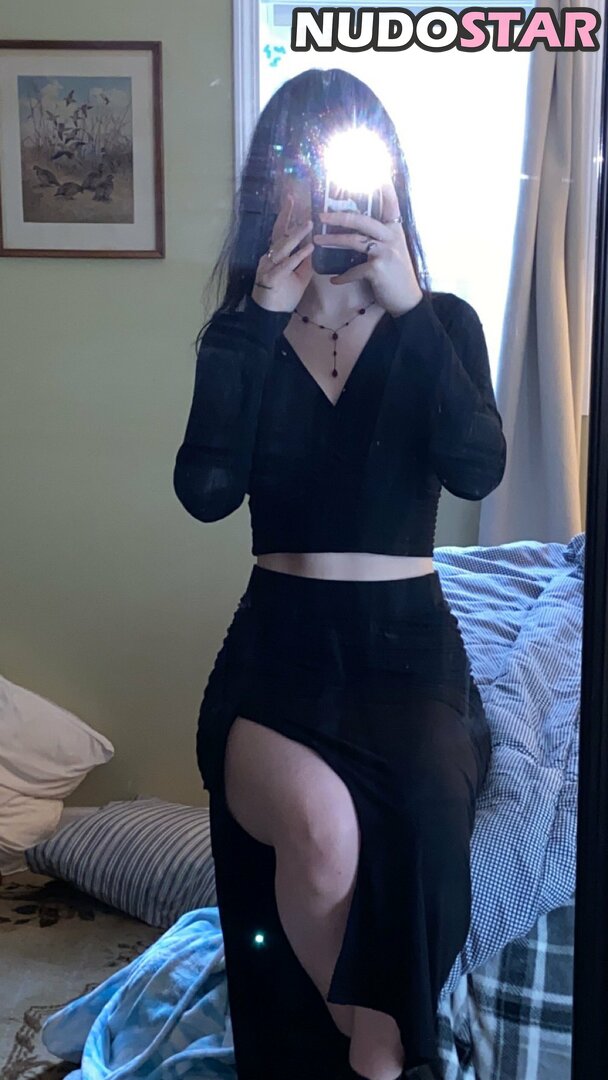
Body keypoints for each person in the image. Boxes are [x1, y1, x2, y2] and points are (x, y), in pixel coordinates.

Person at [173, 68, 506, 1080]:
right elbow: (205, 492)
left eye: (345, 160)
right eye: (299, 161)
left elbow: (477, 468)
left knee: (429, 813)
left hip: (410, 651)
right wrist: (260, 315)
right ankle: (387, 1054)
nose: (322, 187)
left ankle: (378, 1054)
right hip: (275, 653)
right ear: (268, 184)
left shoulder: (441, 322)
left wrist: (407, 304)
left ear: (387, 178)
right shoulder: (241, 331)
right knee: (319, 835)